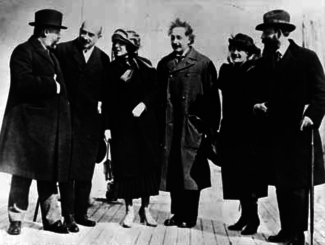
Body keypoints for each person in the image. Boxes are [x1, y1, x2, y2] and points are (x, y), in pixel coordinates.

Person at [253, 9, 325, 245]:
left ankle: (298, 234)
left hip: (299, 133)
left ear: (281, 33)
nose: (263, 37)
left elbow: (320, 94)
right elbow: (265, 93)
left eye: (267, 32)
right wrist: (260, 105)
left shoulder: (306, 57)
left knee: (298, 187)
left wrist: (312, 117)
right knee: (282, 186)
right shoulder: (266, 61)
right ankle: (286, 231)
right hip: (276, 134)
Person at [0, 9, 71, 235]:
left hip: (48, 130)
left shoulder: (52, 55)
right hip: (27, 128)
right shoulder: (23, 51)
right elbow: (22, 83)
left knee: (49, 176)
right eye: (57, 32)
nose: (59, 37)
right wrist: (52, 85)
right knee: (22, 175)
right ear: (46, 31)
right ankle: (16, 220)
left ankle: (52, 220)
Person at [157, 18, 220, 228]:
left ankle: (189, 216)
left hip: (192, 129)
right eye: (172, 37)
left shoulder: (203, 63)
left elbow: (213, 101)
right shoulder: (165, 64)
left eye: (179, 37)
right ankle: (177, 213)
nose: (175, 41)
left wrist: (209, 130)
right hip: (171, 128)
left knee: (190, 175)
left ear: (189, 39)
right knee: (174, 171)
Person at [54, 20, 110, 232]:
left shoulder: (103, 59)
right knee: (67, 172)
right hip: (66, 121)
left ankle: (81, 213)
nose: (85, 37)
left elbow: (105, 96)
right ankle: (68, 215)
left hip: (90, 126)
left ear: (98, 37)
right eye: (83, 32)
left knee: (85, 171)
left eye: (91, 34)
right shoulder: (63, 50)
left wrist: (104, 126)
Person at [103, 29, 160, 228]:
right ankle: (129, 211)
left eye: (122, 42)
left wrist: (143, 104)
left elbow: (156, 90)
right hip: (122, 128)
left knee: (146, 167)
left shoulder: (145, 66)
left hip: (145, 127)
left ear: (132, 45)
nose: (117, 46)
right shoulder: (110, 70)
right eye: (115, 42)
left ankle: (146, 209)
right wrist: (107, 127)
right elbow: (107, 101)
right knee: (125, 168)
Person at [216, 33, 268, 235]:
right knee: (236, 176)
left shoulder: (256, 69)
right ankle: (245, 216)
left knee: (250, 177)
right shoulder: (228, 70)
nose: (236, 53)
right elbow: (223, 84)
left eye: (241, 50)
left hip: (251, 132)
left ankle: (253, 218)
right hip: (231, 130)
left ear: (249, 52)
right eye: (233, 49)